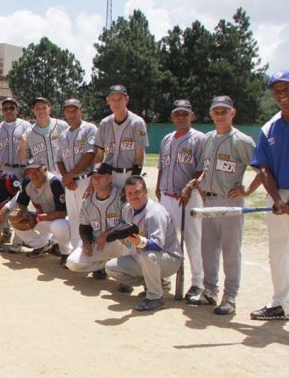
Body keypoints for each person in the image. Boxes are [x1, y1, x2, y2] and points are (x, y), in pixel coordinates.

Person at [185, 96, 261, 315]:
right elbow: (205, 169)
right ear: (210, 114)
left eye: (224, 112)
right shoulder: (208, 138)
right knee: (207, 249)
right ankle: (210, 291)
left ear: (232, 113)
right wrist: (199, 184)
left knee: (230, 251)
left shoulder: (241, 140)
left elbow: (262, 169)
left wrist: (247, 191)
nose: (220, 115)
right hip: (208, 201)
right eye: (216, 112)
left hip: (229, 202)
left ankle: (230, 296)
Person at [105, 176, 183, 311]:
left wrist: (140, 242)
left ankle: (156, 297)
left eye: (137, 192)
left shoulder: (155, 212)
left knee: (147, 256)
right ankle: (153, 284)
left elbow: (158, 245)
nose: (133, 196)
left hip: (169, 259)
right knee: (111, 267)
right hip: (144, 259)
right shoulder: (127, 209)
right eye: (129, 193)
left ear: (145, 192)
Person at [155, 99, 206, 301]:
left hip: (188, 197)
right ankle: (165, 276)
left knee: (193, 240)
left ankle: (197, 283)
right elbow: (162, 167)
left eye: (185, 114)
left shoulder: (199, 139)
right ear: (172, 116)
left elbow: (203, 170)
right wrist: (158, 188)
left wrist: (190, 185)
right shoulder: (166, 139)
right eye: (177, 114)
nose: (181, 117)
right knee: (167, 240)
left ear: (192, 116)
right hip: (167, 197)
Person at [250, 70, 289, 321]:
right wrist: (276, 199)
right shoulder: (269, 127)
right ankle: (279, 304)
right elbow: (263, 167)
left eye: (285, 87)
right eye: (276, 89)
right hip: (279, 196)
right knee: (277, 251)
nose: (281, 93)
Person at [66, 163, 126, 278]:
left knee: (127, 241)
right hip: (98, 244)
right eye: (94, 177)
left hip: (118, 243)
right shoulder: (87, 201)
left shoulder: (121, 196)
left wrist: (107, 234)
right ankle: (104, 265)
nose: (96, 180)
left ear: (110, 178)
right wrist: (86, 242)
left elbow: (129, 224)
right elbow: (84, 226)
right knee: (72, 263)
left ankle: (124, 272)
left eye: (100, 176)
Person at [8, 162, 71, 262]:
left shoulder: (54, 182)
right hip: (42, 218)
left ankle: (66, 253)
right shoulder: (27, 182)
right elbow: (21, 204)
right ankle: (41, 244)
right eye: (30, 172)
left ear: (45, 170)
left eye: (37, 171)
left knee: (59, 226)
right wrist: (19, 212)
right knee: (14, 219)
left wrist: (44, 217)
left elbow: (64, 212)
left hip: (61, 220)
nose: (33, 174)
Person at [55, 98, 97, 249]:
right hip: (70, 182)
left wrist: (70, 175)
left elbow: (90, 155)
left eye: (74, 110)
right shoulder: (63, 134)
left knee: (87, 217)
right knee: (73, 218)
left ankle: (92, 255)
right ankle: (75, 252)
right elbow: (59, 159)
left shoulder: (89, 129)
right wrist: (67, 178)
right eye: (68, 110)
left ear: (81, 111)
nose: (71, 114)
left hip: (86, 180)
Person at [94, 85, 148, 188]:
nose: (116, 103)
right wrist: (98, 173)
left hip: (128, 174)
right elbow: (99, 154)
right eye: (113, 99)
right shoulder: (104, 123)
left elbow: (139, 156)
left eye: (120, 99)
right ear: (108, 101)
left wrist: (133, 181)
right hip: (108, 175)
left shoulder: (137, 123)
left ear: (126, 99)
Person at [18, 97, 68, 175]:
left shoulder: (62, 126)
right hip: (42, 176)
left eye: (44, 108)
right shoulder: (28, 133)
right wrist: (21, 147)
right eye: (37, 108)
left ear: (49, 110)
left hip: (64, 173)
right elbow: (22, 159)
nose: (41, 111)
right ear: (33, 111)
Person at [0, 97, 32, 180]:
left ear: (17, 110)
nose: (8, 110)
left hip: (23, 170)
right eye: (5, 108)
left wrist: (30, 167)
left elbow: (33, 150)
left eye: (12, 108)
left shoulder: (26, 126)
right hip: (3, 170)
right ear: (2, 112)